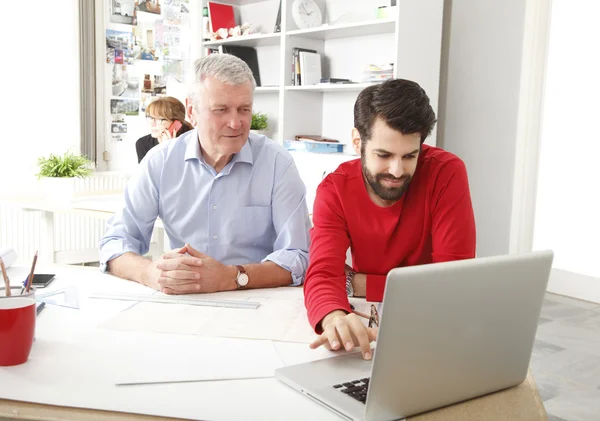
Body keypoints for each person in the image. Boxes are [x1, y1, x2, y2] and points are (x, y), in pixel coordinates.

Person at [100, 54, 311, 294]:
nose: (235, 122)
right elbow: (115, 242)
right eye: (220, 110)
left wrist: (233, 277)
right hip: (183, 298)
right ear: (192, 111)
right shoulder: (160, 162)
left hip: (257, 295)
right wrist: (150, 273)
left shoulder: (277, 164)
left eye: (244, 109)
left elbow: (298, 256)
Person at [304, 79, 476, 360]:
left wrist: (361, 283)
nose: (397, 171)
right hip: (367, 317)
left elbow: (452, 284)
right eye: (383, 155)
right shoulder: (334, 189)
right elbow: (323, 273)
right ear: (358, 141)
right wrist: (334, 315)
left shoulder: (447, 173)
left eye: (410, 156)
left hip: (431, 323)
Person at [136, 96, 194, 163]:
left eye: (159, 119)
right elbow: (150, 173)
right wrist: (163, 149)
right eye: (150, 117)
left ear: (176, 123)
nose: (152, 123)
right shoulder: (143, 144)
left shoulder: (191, 142)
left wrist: (170, 150)